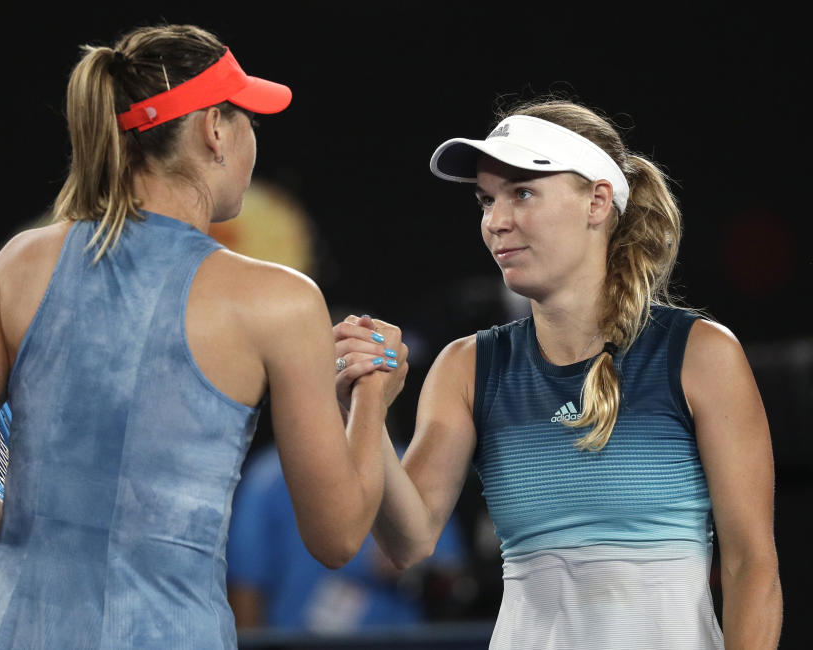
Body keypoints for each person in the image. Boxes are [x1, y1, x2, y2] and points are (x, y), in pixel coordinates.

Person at [0, 24, 407, 649]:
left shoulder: (21, 262)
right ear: (213, 129)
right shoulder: (279, 300)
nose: (254, 138)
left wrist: (28, 537)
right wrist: (372, 399)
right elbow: (338, 537)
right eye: (247, 117)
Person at [333, 100, 781, 648]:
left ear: (596, 201)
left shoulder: (701, 354)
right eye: (486, 200)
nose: (496, 221)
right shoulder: (466, 367)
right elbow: (407, 543)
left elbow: (750, 567)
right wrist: (368, 409)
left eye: (522, 193)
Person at [227, 443, 466, 631]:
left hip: (398, 640)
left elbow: (454, 581)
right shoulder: (269, 476)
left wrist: (414, 563)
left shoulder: (412, 468)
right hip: (299, 640)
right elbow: (245, 586)